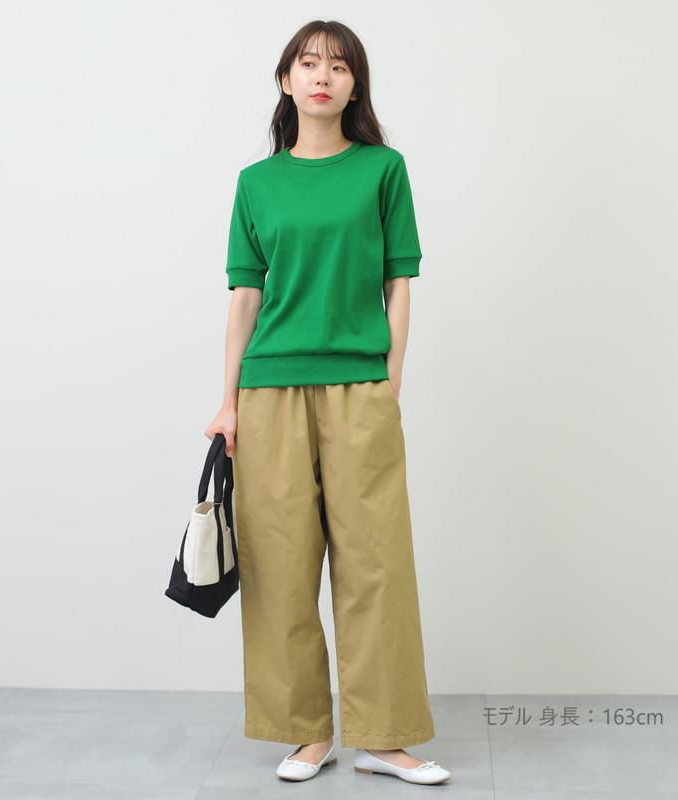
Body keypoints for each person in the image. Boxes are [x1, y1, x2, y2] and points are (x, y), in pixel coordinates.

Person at [205, 19, 451, 786]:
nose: (322, 76)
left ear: (355, 85)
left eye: (339, 66)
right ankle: (307, 735)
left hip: (359, 386)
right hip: (268, 390)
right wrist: (226, 402)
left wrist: (390, 381)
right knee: (279, 563)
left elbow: (399, 282)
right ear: (286, 81)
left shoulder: (383, 170)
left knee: (376, 563)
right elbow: (245, 298)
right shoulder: (256, 183)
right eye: (308, 63)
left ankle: (385, 737)